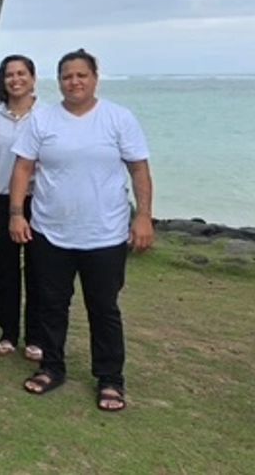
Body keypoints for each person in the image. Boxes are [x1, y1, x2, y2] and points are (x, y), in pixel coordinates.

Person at [10, 49, 154, 412]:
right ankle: (52, 367)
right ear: (58, 81)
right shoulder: (42, 120)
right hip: (49, 232)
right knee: (51, 306)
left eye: (81, 75)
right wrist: (16, 214)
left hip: (104, 234)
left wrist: (144, 217)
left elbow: (139, 170)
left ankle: (110, 378)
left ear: (95, 78)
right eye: (66, 76)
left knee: (103, 308)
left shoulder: (118, 118)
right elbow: (23, 169)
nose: (74, 82)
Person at [0, 54, 44, 361]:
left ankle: (36, 336)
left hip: (39, 203)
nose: (15, 79)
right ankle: (7, 333)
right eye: (9, 75)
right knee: (5, 272)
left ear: (32, 78)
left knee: (39, 271)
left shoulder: (47, 116)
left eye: (21, 73)